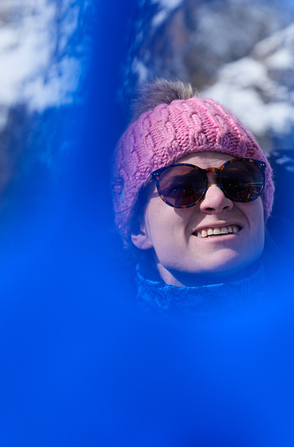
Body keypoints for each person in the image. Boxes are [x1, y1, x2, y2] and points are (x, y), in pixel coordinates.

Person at [112, 79, 275, 314]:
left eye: (239, 181)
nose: (217, 199)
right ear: (138, 228)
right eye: (182, 186)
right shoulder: (97, 341)